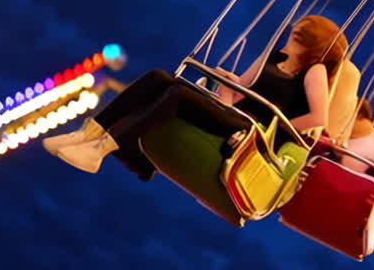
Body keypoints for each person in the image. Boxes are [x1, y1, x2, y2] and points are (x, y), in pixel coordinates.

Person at [43, 15, 348, 178]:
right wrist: (230, 82)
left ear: (312, 43)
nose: (293, 33)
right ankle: (86, 133)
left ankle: (100, 149)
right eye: (296, 29)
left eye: (300, 33)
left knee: (178, 94)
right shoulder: (273, 56)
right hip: (233, 114)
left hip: (253, 133)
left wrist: (274, 131)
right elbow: (245, 85)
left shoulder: (314, 72)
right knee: (160, 77)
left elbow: (318, 118)